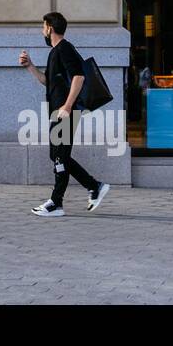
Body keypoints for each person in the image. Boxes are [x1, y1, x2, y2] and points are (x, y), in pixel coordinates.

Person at [18, 12, 110, 217]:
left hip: (64, 112)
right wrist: (30, 66)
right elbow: (47, 82)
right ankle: (94, 186)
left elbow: (79, 77)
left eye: (43, 27)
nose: (42, 31)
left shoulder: (65, 48)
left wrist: (67, 107)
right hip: (58, 112)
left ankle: (56, 202)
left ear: (50, 27)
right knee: (58, 155)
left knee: (59, 156)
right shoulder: (55, 52)